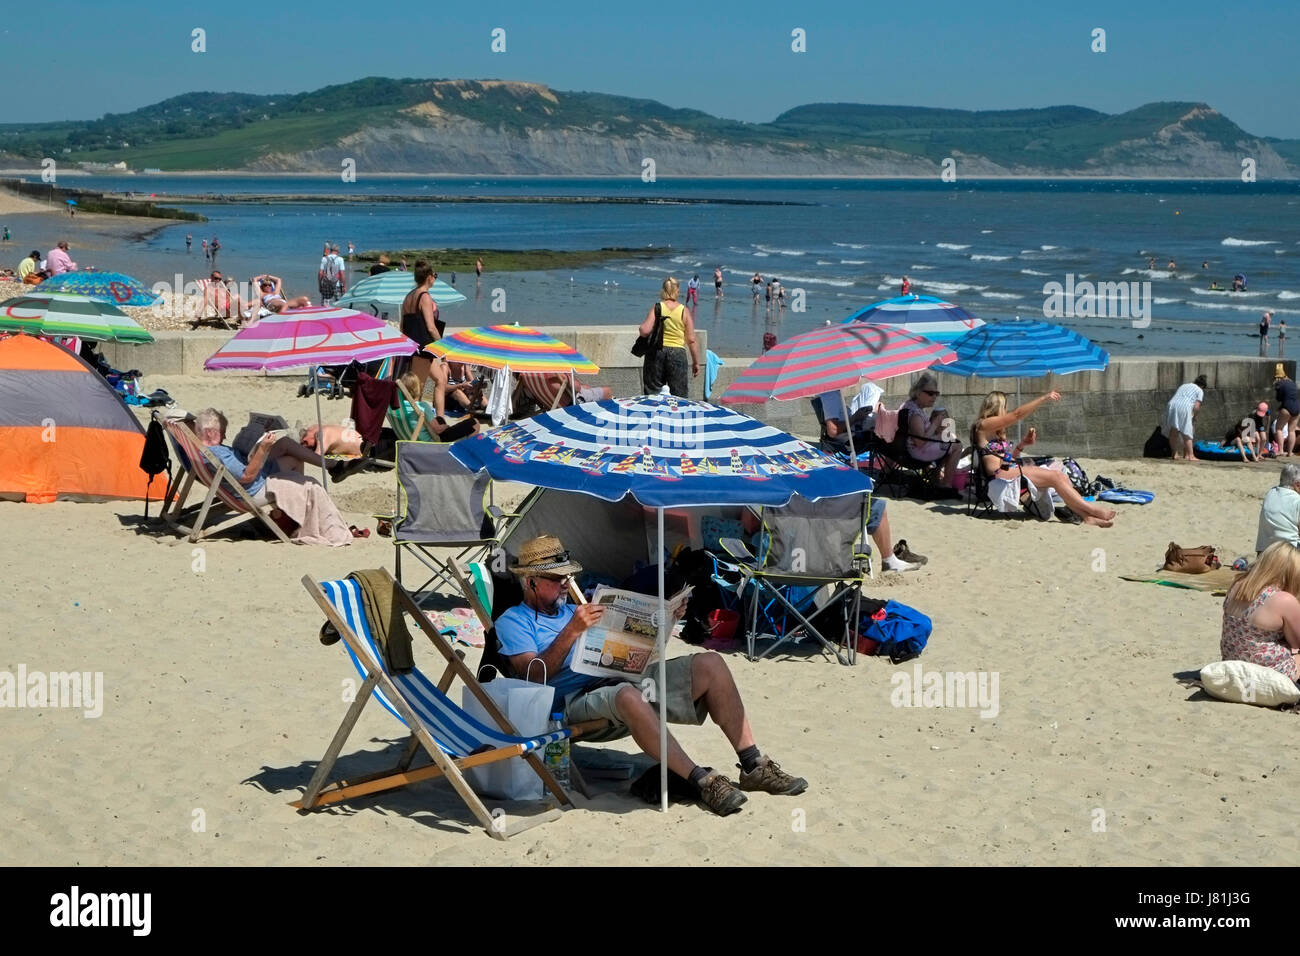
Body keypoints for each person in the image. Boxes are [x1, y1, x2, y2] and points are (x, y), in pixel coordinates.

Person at [495, 535, 809, 817]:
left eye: (569, 576)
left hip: (619, 678)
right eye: (556, 578)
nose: (566, 583)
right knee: (628, 695)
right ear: (531, 581)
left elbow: (639, 650)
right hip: (571, 702)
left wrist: (666, 621)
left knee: (711, 664)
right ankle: (701, 779)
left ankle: (753, 764)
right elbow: (533, 680)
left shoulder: (574, 609)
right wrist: (573, 630)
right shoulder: (515, 621)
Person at [194, 408, 364, 544]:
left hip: (252, 477)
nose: (224, 435)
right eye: (222, 432)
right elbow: (247, 477)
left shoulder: (204, 451)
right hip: (253, 489)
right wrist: (262, 448)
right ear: (210, 433)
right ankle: (321, 521)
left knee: (289, 452)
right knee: (312, 484)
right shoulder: (217, 453)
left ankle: (291, 517)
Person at [972, 390, 1117, 527]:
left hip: (1008, 470)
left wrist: (1023, 444)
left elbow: (1007, 459)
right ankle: (1093, 510)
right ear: (998, 406)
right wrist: (1043, 398)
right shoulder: (983, 425)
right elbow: (1017, 415)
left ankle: (1087, 517)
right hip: (998, 476)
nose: (1007, 411)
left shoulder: (997, 432)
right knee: (1054, 477)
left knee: (1060, 476)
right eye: (1005, 407)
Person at [1220, 541, 1300, 680]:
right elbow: (1297, 643)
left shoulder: (1238, 585)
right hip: (1267, 672)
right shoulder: (1283, 600)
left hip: (1232, 662)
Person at [400, 261, 450, 414]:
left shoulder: (408, 297)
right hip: (422, 347)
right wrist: (443, 347)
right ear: (429, 277)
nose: (435, 278)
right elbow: (430, 327)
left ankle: (440, 419)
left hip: (414, 346)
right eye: (435, 275)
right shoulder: (425, 297)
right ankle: (412, 422)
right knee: (417, 389)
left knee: (441, 380)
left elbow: (402, 326)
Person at [638, 277, 701, 398]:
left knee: (652, 393)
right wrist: (696, 363)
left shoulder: (657, 307)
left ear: (664, 290)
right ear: (676, 291)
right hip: (677, 353)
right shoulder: (684, 310)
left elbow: (644, 330)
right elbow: (691, 339)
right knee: (679, 395)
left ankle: (653, 415)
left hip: (656, 352)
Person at [899, 372, 962, 492]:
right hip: (918, 452)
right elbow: (920, 442)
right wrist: (935, 424)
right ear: (918, 393)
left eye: (936, 393)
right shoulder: (915, 414)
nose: (934, 397)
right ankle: (946, 484)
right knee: (957, 446)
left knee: (950, 440)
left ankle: (936, 477)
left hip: (916, 449)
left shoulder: (910, 406)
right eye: (930, 393)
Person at [396, 371, 479, 441]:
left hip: (409, 438)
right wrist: (446, 427)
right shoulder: (422, 406)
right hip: (430, 443)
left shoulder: (395, 407)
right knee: (474, 423)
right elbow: (438, 430)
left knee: (439, 419)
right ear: (417, 389)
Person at [1255, 466, 1300, 554]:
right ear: (1297, 485)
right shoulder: (1297, 500)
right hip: (1289, 552)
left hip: (1264, 552)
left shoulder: (1270, 493)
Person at [1164, 374, 1207, 462]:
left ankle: (1174, 453)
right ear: (1202, 386)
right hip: (1184, 407)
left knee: (1173, 430)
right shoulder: (1199, 390)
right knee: (1187, 432)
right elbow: (1196, 407)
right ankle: (1191, 456)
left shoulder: (1184, 385)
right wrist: (1194, 416)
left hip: (1171, 405)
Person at [1275, 365, 1299, 458]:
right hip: (1297, 407)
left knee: (1279, 428)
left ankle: (1281, 450)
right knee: (1291, 430)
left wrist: (1277, 389)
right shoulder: (1292, 383)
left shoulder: (1280, 384)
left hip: (1287, 408)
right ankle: (1290, 452)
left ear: (1278, 377)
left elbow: (1279, 398)